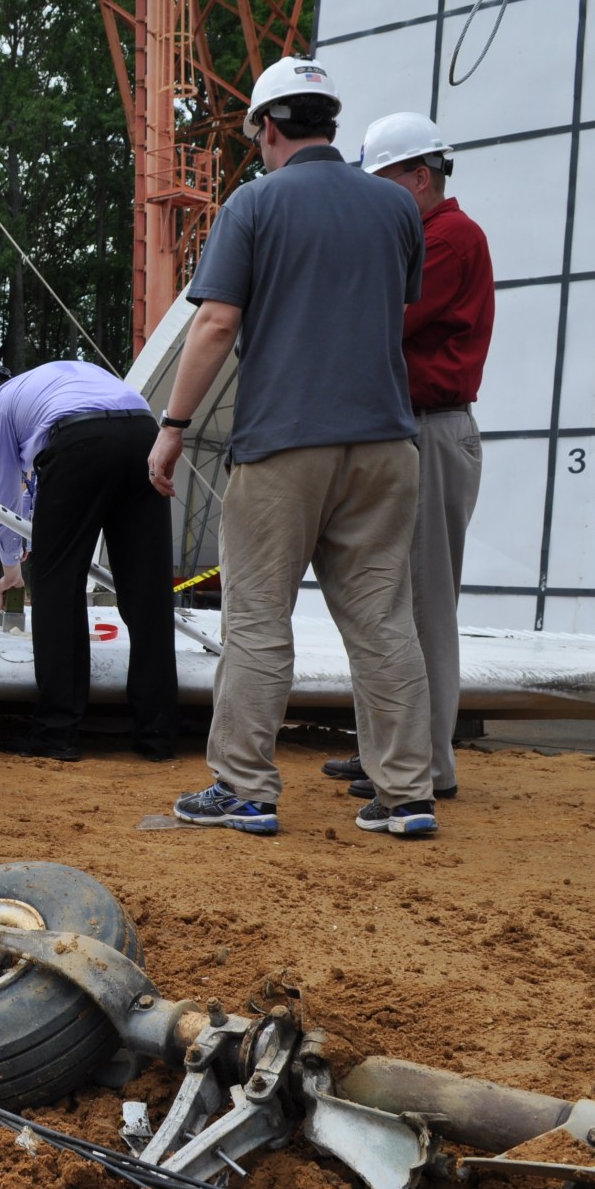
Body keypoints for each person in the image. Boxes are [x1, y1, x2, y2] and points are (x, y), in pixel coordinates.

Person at [148, 56, 438, 837]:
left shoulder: (254, 204)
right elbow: (392, 306)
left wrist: (172, 428)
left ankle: (244, 787)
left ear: (269, 128)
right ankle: (406, 793)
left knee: (257, 620)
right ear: (330, 123)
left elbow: (214, 323)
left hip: (284, 444)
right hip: (385, 443)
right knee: (382, 619)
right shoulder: (397, 208)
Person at [320, 113, 494, 805]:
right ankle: (389, 753)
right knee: (389, 602)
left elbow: (382, 320)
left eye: (384, 180)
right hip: (408, 430)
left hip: (428, 429)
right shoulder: (428, 234)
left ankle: (422, 764)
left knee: (422, 606)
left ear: (418, 177)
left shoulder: (449, 237)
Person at [0, 362, 177, 762]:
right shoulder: (54, 382)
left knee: (58, 586)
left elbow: (2, 500)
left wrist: (12, 571)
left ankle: (56, 733)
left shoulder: (1, 409)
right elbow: (34, 491)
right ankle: (157, 733)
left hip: (80, 442)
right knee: (148, 593)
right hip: (145, 435)